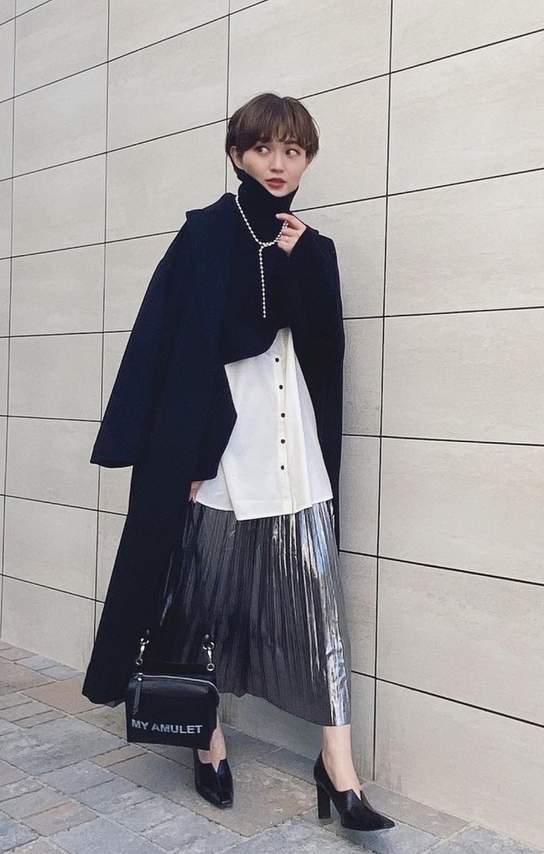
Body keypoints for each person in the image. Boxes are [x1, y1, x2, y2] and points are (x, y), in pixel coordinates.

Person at [88, 92, 395, 832]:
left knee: (321, 606)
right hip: (222, 451)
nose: (278, 164)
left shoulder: (314, 246)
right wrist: (178, 454)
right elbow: (173, 341)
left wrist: (295, 264)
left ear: (308, 160)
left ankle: (339, 769)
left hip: (297, 448)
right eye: (263, 149)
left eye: (293, 151)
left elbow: (321, 348)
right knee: (201, 603)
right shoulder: (205, 234)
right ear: (236, 154)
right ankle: (208, 739)